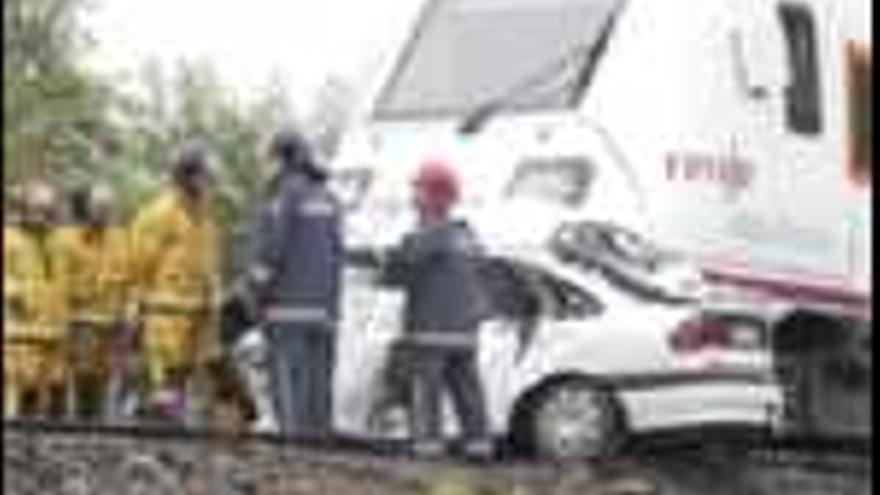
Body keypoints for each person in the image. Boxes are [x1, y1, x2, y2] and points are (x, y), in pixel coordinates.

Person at [379, 159, 492, 460]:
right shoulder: (467, 235)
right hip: (466, 332)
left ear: (435, 195)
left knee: (426, 394)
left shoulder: (430, 233)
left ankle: (427, 451)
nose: (412, 196)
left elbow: (396, 271)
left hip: (431, 330)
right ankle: (479, 447)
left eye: (418, 189)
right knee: (468, 393)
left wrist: (386, 257)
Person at [241, 127, 343, 437]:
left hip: (286, 313)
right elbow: (337, 257)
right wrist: (333, 311)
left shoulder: (281, 196)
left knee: (289, 402)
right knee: (317, 397)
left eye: (268, 158)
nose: (265, 165)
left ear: (282, 159)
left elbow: (270, 253)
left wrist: (253, 297)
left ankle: (295, 458)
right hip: (323, 315)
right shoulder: (330, 198)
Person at [129, 141, 221, 423]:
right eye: (204, 175)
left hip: (195, 318)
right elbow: (139, 265)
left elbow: (211, 265)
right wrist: (135, 309)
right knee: (162, 389)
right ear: (187, 175)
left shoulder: (204, 218)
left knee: (181, 388)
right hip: (163, 318)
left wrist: (213, 301)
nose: (209, 181)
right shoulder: (159, 213)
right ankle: (152, 437)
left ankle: (170, 443)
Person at [57, 183, 133, 420]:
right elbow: (59, 288)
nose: (106, 211)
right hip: (79, 326)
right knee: (81, 383)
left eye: (109, 206)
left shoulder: (120, 238)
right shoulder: (65, 240)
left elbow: (130, 278)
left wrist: (129, 310)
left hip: (113, 328)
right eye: (100, 206)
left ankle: (98, 435)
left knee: (107, 383)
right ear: (84, 208)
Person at [3, 182, 69, 418]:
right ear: (25, 209)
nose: (42, 216)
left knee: (56, 387)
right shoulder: (9, 238)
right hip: (22, 332)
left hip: (54, 329)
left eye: (48, 210)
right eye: (37, 210)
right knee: (24, 388)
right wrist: (13, 292)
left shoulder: (59, 240)